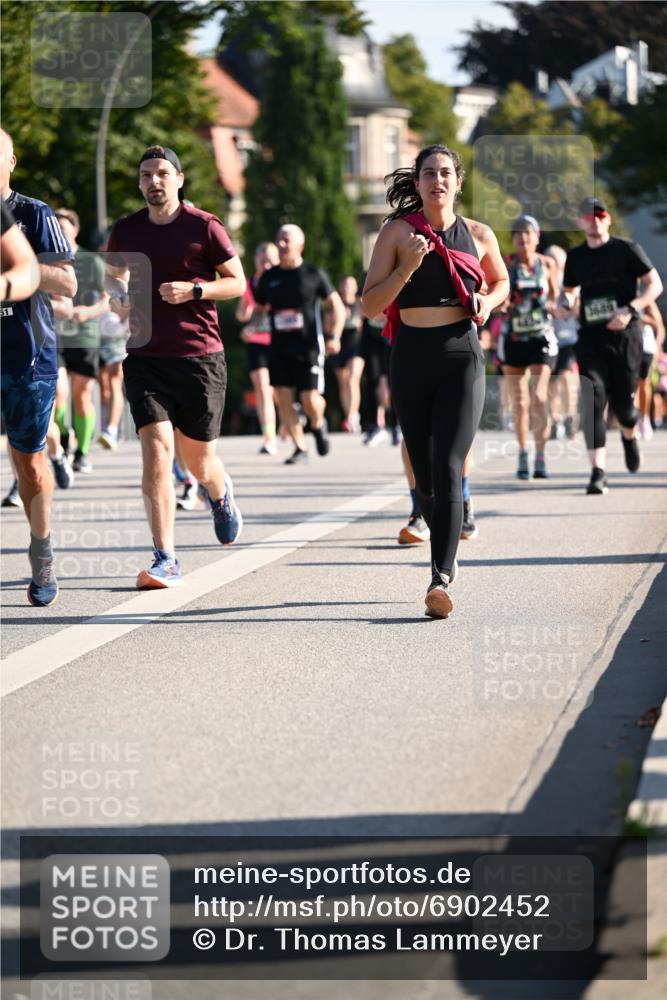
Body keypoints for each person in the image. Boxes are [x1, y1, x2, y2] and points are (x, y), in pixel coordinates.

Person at [362, 144, 509, 619]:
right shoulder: (397, 232)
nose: (437, 180)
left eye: (446, 173)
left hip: (461, 355)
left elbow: (501, 282)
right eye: (429, 173)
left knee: (448, 466)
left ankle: (440, 578)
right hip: (412, 356)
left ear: (458, 182)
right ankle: (441, 532)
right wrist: (407, 266)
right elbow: (369, 304)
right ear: (419, 182)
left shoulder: (481, 234)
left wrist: (489, 303)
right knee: (425, 475)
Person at [106, 145, 245, 588]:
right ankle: (165, 557)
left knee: (199, 461)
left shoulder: (203, 227)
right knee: (157, 453)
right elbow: (112, 274)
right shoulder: (126, 230)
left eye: (162, 173)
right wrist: (118, 294)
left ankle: (219, 494)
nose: (154, 181)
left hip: (200, 358)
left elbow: (237, 283)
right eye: (146, 174)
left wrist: (195, 291)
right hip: (145, 357)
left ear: (179, 179)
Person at [0, 128, 77, 606]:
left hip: (28, 356)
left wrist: (16, 272)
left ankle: (41, 547)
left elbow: (68, 283)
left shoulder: (32, 214)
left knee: (29, 463)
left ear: (10, 161)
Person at [560, 197, 663, 494]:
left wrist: (631, 309)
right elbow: (567, 291)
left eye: (600, 215)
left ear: (607, 219)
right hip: (591, 337)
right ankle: (598, 471)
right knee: (593, 398)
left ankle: (630, 436)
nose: (594, 220)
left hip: (625, 336)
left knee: (625, 407)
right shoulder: (575, 256)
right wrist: (565, 303)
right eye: (588, 216)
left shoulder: (627, 249)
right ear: (581, 222)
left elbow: (655, 284)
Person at [254, 224, 345, 465]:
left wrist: (334, 335)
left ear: (300, 245)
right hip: (279, 347)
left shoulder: (313, 274)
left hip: (308, 347)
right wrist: (251, 324)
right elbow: (260, 309)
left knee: (310, 399)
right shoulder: (269, 278)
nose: (281, 244)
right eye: (279, 240)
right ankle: (299, 446)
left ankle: (317, 423)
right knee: (282, 395)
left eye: (286, 240)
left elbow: (336, 306)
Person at [497, 215, 559, 480]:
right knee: (520, 401)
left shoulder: (547, 264)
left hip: (541, 337)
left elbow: (555, 296)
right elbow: (497, 294)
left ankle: (541, 455)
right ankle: (523, 452)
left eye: (528, 234)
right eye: (518, 234)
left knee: (540, 396)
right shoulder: (506, 264)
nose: (523, 239)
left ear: (537, 237)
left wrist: (556, 307)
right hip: (513, 338)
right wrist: (502, 305)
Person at [53, 208, 108, 473]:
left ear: (75, 230)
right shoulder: (46, 260)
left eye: (65, 227)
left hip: (85, 335)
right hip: (54, 336)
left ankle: (82, 452)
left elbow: (108, 300)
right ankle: (63, 440)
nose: (61, 232)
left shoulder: (91, 261)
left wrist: (87, 312)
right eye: (56, 227)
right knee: (58, 393)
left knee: (82, 395)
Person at [235, 241, 280, 454]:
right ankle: (269, 436)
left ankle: (290, 420)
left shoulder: (282, 282)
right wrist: (248, 314)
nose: (266, 264)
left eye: (270, 260)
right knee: (262, 387)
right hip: (257, 343)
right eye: (262, 260)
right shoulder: (249, 284)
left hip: (279, 342)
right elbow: (241, 314)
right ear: (256, 262)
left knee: (279, 391)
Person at [544, 244, 579, 441]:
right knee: (550, 383)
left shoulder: (569, 283)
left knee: (566, 378)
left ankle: (570, 417)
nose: (553, 264)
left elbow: (578, 307)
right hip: (549, 339)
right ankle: (554, 419)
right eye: (550, 260)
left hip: (567, 338)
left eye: (556, 261)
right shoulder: (541, 280)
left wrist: (567, 310)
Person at [330, 275, 364, 432]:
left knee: (352, 380)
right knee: (343, 383)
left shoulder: (360, 304)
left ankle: (352, 417)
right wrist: (337, 318)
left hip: (356, 347)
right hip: (339, 347)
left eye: (350, 285)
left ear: (355, 288)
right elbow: (326, 328)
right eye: (344, 285)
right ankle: (349, 417)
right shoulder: (335, 306)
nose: (346, 288)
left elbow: (375, 317)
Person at [637, 301, 664, 440]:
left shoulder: (646, 301)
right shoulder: (620, 297)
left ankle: (644, 418)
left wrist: (657, 349)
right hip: (626, 348)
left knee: (644, 384)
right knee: (629, 386)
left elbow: (659, 326)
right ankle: (632, 419)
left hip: (646, 348)